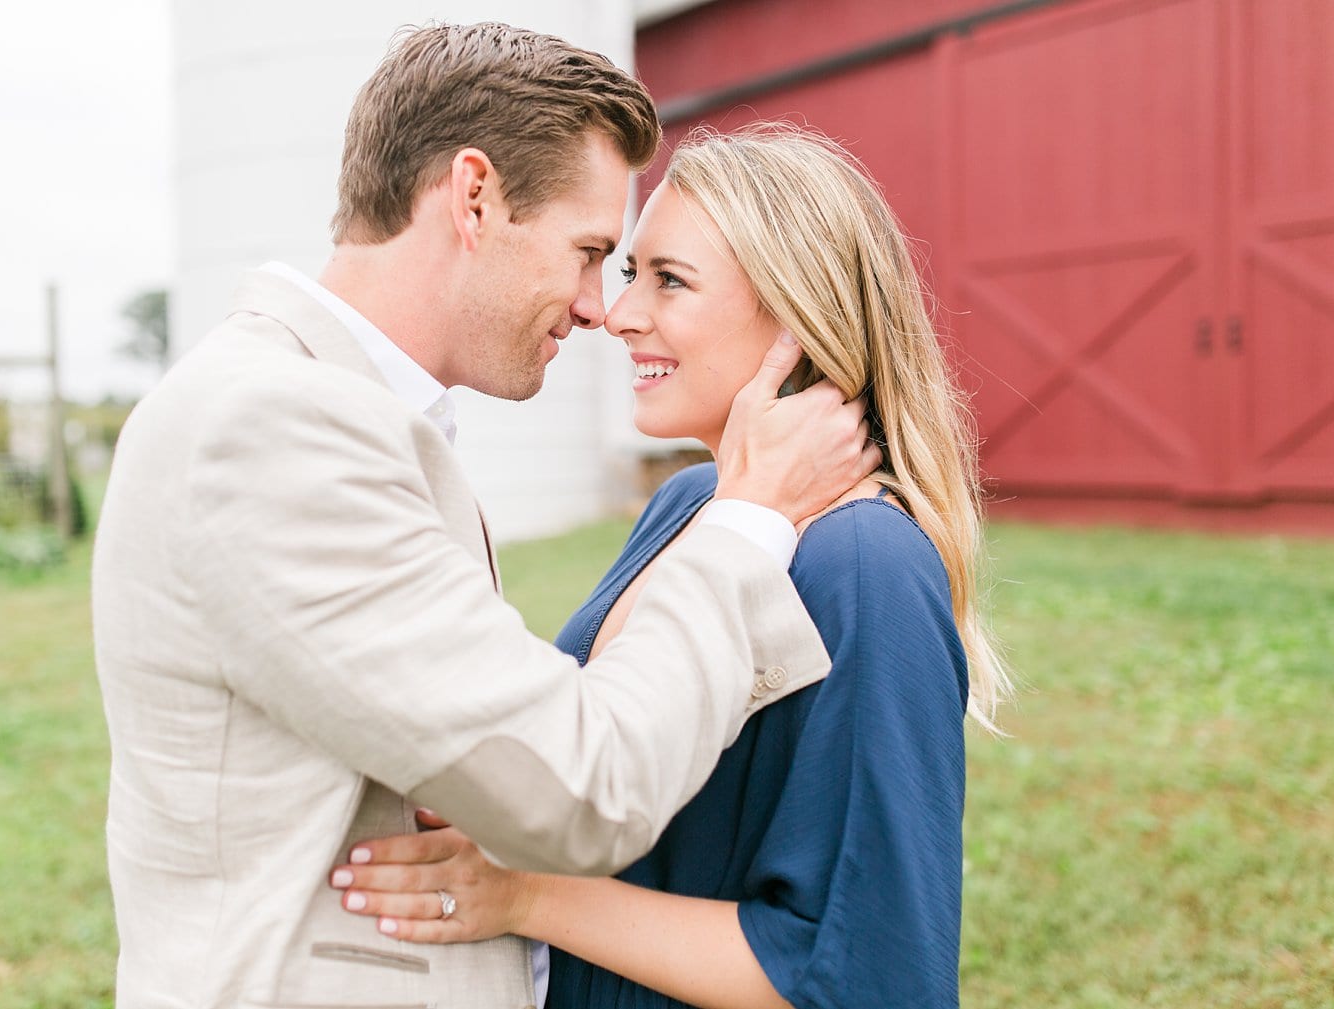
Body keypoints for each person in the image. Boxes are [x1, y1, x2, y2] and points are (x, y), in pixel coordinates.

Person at [92, 25, 880, 1009]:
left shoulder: (326, 409)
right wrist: (750, 520)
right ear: (474, 199)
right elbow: (579, 789)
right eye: (590, 252)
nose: (601, 307)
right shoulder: (274, 425)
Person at [330, 124, 1016, 1009]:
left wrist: (527, 892)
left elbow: (858, 972)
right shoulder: (690, 507)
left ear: (796, 314)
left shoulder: (862, 562)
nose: (617, 314)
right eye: (627, 273)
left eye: (670, 281)